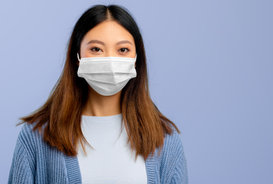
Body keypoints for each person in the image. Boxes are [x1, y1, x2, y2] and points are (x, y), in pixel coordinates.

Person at [8, 4, 188, 184]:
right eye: (96, 49)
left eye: (123, 50)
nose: (110, 60)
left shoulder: (165, 140)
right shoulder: (37, 137)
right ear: (77, 56)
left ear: (136, 59)